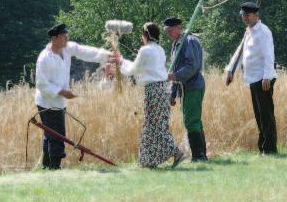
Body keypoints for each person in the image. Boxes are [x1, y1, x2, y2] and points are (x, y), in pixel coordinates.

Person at [35, 24, 111, 170]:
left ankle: (47, 167)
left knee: (50, 134)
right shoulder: (44, 58)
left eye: (66, 36)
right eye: (63, 36)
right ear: (54, 38)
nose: (66, 39)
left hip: (60, 101)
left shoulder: (67, 48)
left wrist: (107, 55)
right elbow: (41, 84)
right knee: (57, 136)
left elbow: (85, 51)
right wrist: (63, 92)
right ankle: (54, 168)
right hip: (47, 102)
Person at [113, 22, 186, 168]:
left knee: (155, 127)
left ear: (145, 35)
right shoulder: (159, 49)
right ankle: (147, 162)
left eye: (142, 35)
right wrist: (122, 61)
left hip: (153, 91)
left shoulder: (145, 50)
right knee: (154, 126)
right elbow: (139, 66)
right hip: (162, 89)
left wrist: (120, 62)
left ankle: (177, 152)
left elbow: (132, 70)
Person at [225, 2, 278, 155]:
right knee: (259, 114)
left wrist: (267, 76)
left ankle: (269, 149)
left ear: (256, 15)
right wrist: (230, 70)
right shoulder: (248, 32)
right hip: (253, 78)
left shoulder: (263, 31)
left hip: (263, 78)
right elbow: (240, 51)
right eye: (243, 15)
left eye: (247, 15)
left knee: (266, 114)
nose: (245, 18)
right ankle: (263, 147)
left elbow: (269, 54)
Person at [164, 17, 208, 161]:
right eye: (167, 31)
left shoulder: (189, 41)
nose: (169, 33)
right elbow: (176, 70)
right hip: (185, 87)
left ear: (179, 28)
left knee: (191, 121)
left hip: (194, 85)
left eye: (171, 30)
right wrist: (173, 93)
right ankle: (201, 154)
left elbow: (192, 66)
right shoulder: (176, 44)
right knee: (192, 120)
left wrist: (174, 76)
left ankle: (199, 156)